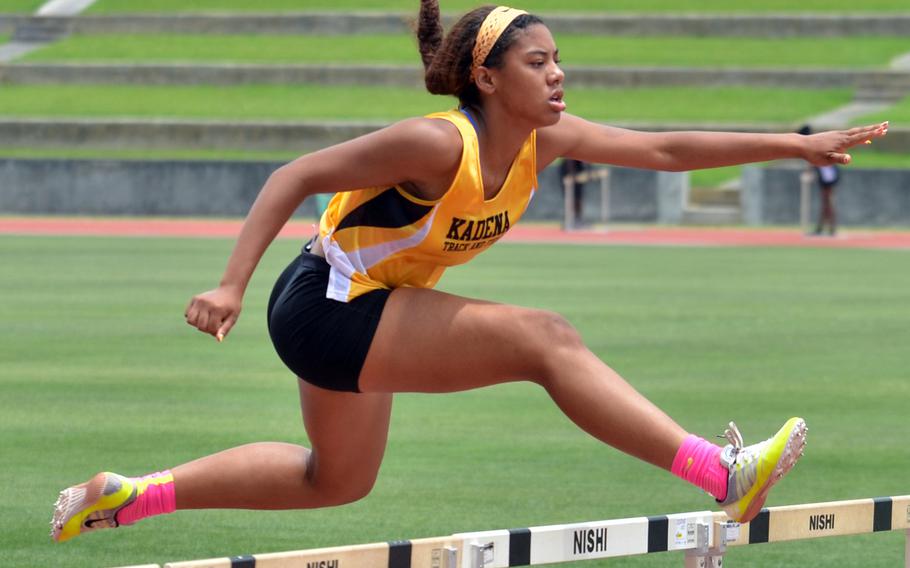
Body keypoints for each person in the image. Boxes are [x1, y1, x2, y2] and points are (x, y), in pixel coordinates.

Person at [52, 2, 888, 543]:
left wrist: (799, 142)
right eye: (538, 63)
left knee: (334, 480)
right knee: (542, 338)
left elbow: (664, 150)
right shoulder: (435, 143)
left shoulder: (542, 139)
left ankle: (128, 494)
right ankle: (724, 475)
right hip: (326, 304)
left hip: (365, 305)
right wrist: (229, 282)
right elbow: (295, 175)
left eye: (560, 59)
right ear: (486, 78)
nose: (557, 74)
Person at [799, 125, 841, 236]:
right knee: (826, 202)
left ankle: (828, 227)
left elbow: (813, 160)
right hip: (827, 172)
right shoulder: (816, 140)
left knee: (827, 202)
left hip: (828, 174)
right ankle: (823, 227)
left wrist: (808, 172)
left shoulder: (812, 142)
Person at [559, 158, 588, 227]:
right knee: (570, 198)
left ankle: (578, 219)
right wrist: (571, 173)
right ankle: (570, 220)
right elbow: (569, 159)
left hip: (577, 171)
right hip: (568, 172)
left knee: (578, 198)